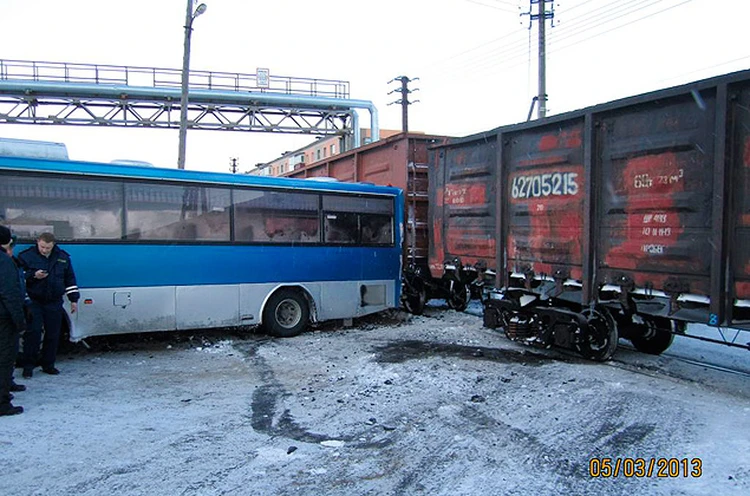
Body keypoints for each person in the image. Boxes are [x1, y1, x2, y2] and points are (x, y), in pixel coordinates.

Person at [19, 232, 79, 378]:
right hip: (34, 301)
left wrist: (73, 299)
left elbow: (69, 279)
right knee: (33, 334)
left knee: (53, 334)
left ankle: (49, 365)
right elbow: (18, 278)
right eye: (42, 247)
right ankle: (28, 367)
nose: (44, 250)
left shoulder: (62, 257)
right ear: (37, 242)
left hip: (54, 301)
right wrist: (33, 275)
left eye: (48, 248)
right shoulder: (25, 256)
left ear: (53, 245)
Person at [0, 225, 26, 416]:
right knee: (5, 358)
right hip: (3, 318)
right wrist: (20, 321)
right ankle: (2, 403)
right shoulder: (4, 261)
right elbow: (10, 294)